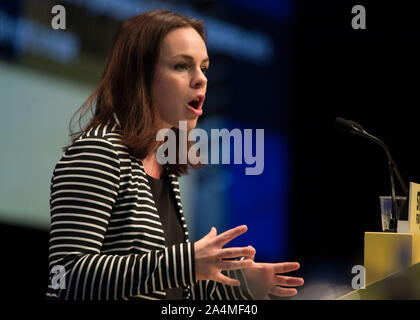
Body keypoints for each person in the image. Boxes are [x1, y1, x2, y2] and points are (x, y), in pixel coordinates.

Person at [46, 10, 304, 300]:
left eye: (204, 68)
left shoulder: (162, 167)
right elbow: (66, 276)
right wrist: (185, 263)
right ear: (140, 76)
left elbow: (168, 290)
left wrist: (242, 285)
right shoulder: (98, 153)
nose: (201, 80)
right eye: (183, 66)